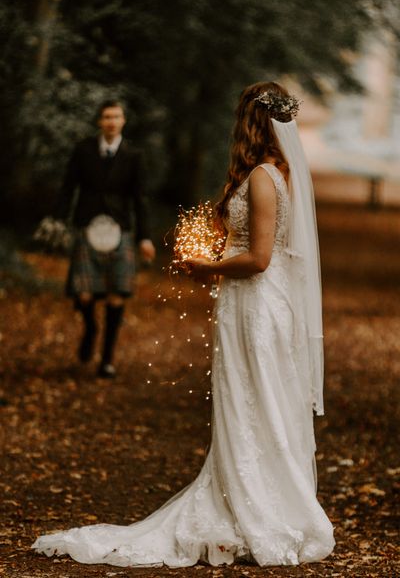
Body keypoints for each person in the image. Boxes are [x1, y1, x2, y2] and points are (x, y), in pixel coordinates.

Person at [32, 82, 335, 566]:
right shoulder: (283, 174)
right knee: (262, 400)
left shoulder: (260, 176)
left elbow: (257, 258)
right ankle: (263, 499)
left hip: (255, 301)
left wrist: (207, 267)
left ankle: (253, 508)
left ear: (251, 122)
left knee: (249, 399)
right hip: (262, 301)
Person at [54, 100, 155, 377]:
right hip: (87, 227)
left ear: (123, 121)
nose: (111, 121)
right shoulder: (83, 150)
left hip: (120, 228)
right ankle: (91, 328)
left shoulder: (133, 155)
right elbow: (68, 187)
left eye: (116, 116)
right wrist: (59, 220)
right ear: (100, 121)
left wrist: (144, 237)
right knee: (84, 294)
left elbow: (140, 199)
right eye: (106, 116)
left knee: (116, 296)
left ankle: (107, 359)